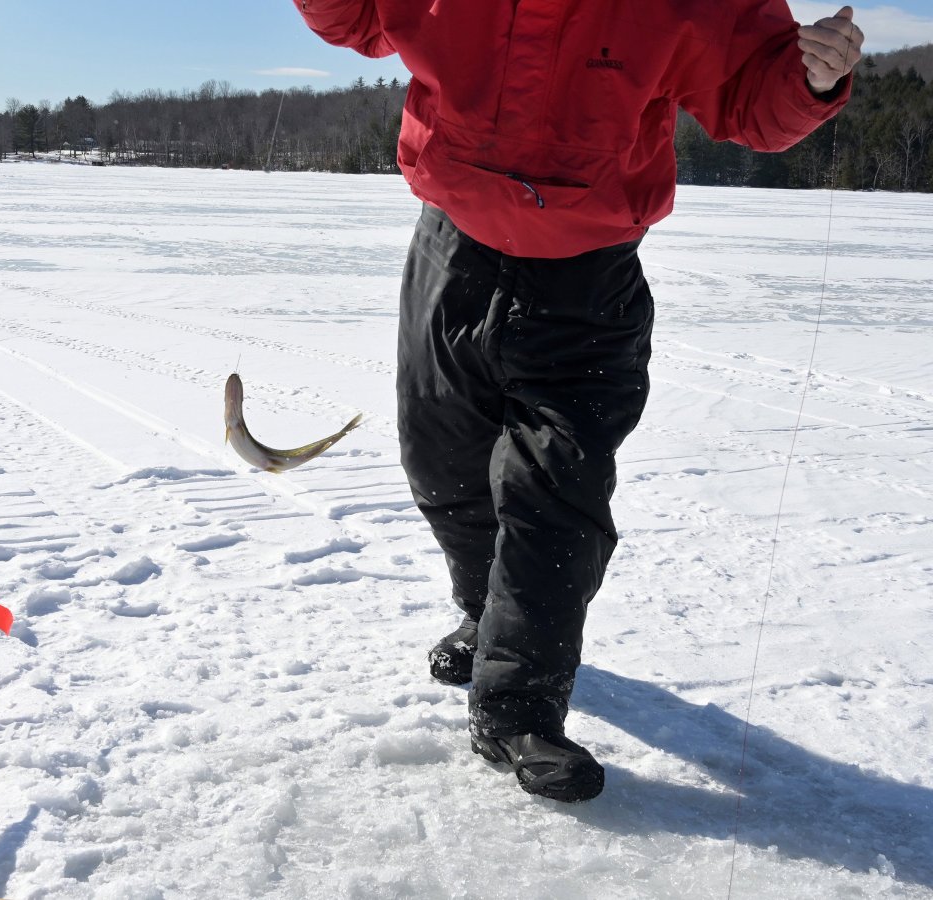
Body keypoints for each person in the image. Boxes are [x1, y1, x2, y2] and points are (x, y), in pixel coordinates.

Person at [292, 0, 864, 802]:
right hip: (452, 253)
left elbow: (748, 96)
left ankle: (520, 708)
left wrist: (811, 78)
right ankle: (485, 614)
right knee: (441, 463)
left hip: (587, 281)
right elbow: (353, 18)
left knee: (555, 489)